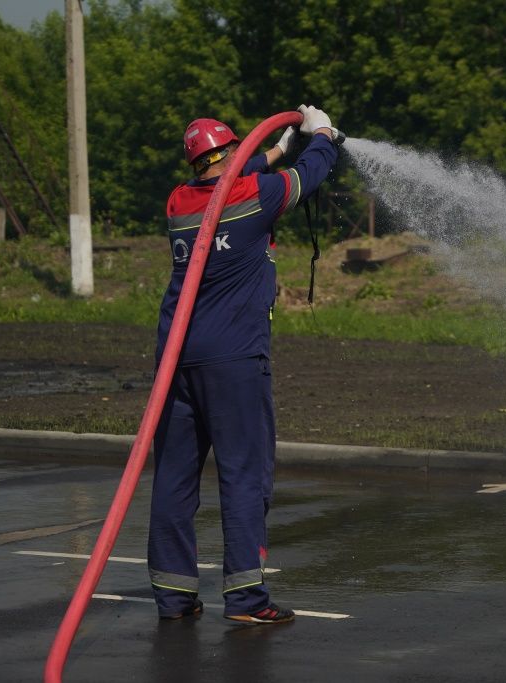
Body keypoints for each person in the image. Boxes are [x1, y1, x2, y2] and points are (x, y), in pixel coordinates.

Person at [148, 105, 338, 624]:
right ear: (230, 152)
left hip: (176, 359)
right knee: (243, 476)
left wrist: (278, 147)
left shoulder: (178, 203)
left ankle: (173, 596)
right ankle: (247, 599)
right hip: (232, 357)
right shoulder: (257, 196)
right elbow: (312, 174)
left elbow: (230, 179)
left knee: (174, 478)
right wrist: (322, 133)